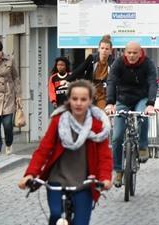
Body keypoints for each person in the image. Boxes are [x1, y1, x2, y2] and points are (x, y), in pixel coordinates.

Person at [19, 80, 112, 225]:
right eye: (75, 99)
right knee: (57, 216)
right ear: (69, 100)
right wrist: (30, 174)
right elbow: (43, 150)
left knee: (81, 222)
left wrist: (105, 178)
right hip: (58, 180)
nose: (79, 103)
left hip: (85, 183)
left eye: (83, 99)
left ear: (90, 101)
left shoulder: (97, 125)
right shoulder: (58, 121)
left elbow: (104, 155)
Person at [104, 41, 157, 186]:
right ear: (124, 53)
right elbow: (111, 82)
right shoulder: (118, 63)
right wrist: (110, 102)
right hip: (123, 100)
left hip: (141, 98)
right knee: (116, 136)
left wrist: (150, 104)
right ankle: (119, 171)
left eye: (135, 53)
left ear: (140, 53)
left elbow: (153, 82)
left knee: (142, 115)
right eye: (129, 53)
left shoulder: (148, 64)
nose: (132, 55)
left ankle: (142, 146)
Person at [70, 35, 114, 110]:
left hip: (103, 93)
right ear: (98, 49)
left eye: (107, 49)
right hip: (90, 90)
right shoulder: (92, 58)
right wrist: (67, 79)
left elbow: (116, 79)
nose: (104, 51)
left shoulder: (113, 62)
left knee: (101, 114)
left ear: (110, 51)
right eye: (102, 48)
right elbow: (80, 70)